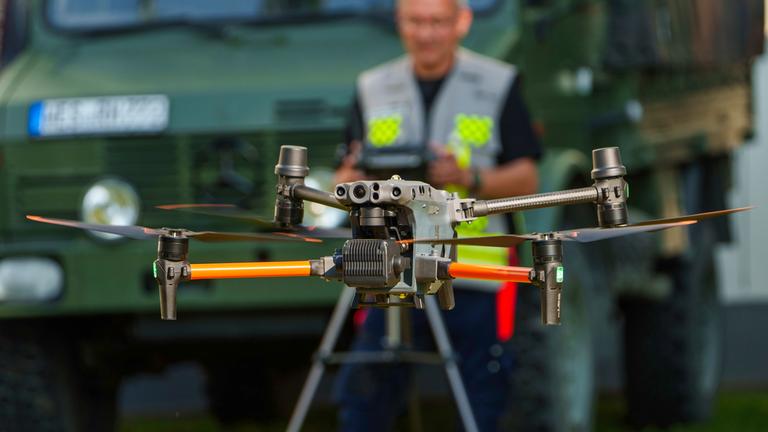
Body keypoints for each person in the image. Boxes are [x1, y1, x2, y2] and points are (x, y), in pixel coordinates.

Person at [333, 0, 541, 429]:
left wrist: (467, 176)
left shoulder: (496, 83)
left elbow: (528, 177)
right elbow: (344, 170)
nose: (426, 34)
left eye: (437, 22)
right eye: (416, 22)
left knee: (485, 396)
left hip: (472, 271)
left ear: (461, 22)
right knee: (366, 390)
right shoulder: (373, 87)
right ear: (399, 24)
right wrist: (351, 176)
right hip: (391, 268)